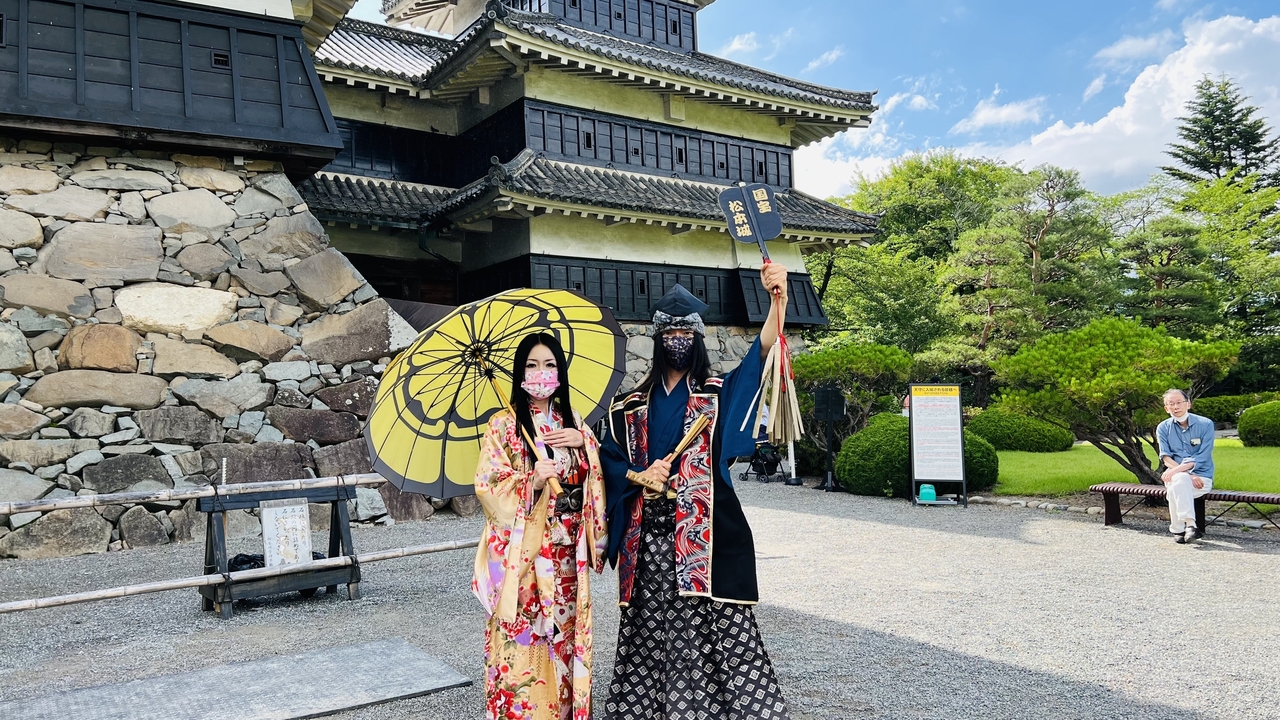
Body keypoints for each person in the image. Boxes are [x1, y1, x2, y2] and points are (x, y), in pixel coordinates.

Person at [600, 265, 792, 720]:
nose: (679, 339)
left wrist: (777, 302)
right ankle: (645, 709)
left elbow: (758, 356)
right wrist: (637, 476)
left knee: (715, 622)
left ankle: (721, 709)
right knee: (650, 623)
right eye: (671, 331)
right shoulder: (628, 406)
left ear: (699, 337)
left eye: (688, 331)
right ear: (658, 336)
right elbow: (608, 458)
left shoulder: (716, 393)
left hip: (703, 535)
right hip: (649, 538)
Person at [472, 332, 607, 720]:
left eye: (549, 365)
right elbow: (487, 485)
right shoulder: (503, 424)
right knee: (525, 637)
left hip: (565, 557)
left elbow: (595, 480)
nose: (541, 373)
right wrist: (529, 481)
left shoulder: (574, 423)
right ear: (519, 373)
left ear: (560, 372)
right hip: (525, 555)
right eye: (531, 365)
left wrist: (585, 447)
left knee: (563, 638)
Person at [1156, 388, 1215, 544]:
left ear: (1188, 404)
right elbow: (1165, 457)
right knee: (1180, 480)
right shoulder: (1163, 427)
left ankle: (1177, 529)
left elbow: (1202, 456)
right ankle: (1190, 525)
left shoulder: (1205, 424)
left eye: (1179, 402)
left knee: (1176, 486)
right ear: (1166, 408)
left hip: (1201, 477)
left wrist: (1179, 471)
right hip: (1177, 475)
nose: (1175, 407)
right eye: (1171, 404)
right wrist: (1187, 474)